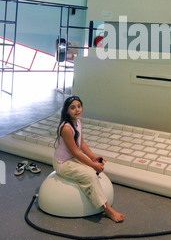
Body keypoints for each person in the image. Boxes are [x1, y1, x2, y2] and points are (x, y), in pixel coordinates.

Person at [53, 95, 125, 223]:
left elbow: (82, 144)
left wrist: (93, 158)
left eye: (79, 106)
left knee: (96, 169)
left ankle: (91, 190)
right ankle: (107, 209)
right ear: (66, 111)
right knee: (90, 175)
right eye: (72, 108)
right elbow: (75, 152)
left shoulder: (78, 122)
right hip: (63, 163)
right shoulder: (66, 129)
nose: (77, 110)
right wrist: (92, 165)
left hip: (72, 159)